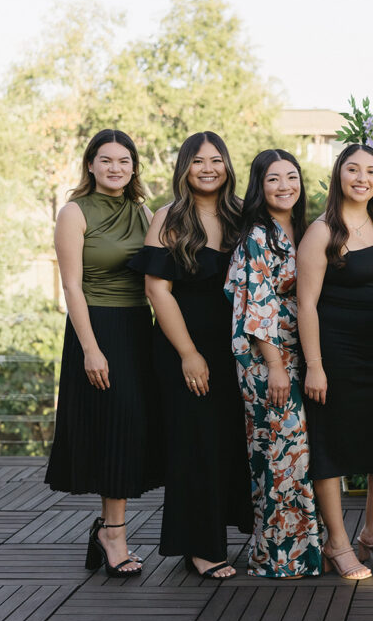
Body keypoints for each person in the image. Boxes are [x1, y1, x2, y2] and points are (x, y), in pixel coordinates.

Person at [129, 132, 253, 580]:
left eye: (216, 160)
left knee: (224, 441)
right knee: (194, 442)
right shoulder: (170, 217)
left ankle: (216, 534)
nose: (207, 168)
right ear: (184, 167)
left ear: (227, 166)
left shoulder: (242, 216)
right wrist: (188, 353)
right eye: (198, 160)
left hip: (234, 348)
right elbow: (155, 289)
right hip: (184, 346)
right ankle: (200, 547)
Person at [44, 129, 162, 577]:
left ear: (134, 167)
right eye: (106, 160)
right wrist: (91, 348)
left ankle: (109, 530)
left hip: (137, 329)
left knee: (131, 427)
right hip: (96, 329)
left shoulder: (142, 210)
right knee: (113, 426)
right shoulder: (74, 212)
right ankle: (113, 535)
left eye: (124, 161)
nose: (116, 168)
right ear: (90, 165)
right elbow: (71, 285)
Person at [297, 144, 373, 579]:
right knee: (331, 447)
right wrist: (315, 365)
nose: (362, 178)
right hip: (333, 353)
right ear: (339, 175)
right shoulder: (322, 231)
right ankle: (337, 543)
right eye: (353, 169)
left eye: (371, 171)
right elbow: (305, 305)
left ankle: (372, 535)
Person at [224, 149, 322, 578]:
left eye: (292, 178)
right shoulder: (257, 234)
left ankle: (300, 553)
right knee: (281, 456)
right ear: (259, 187)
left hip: (298, 350)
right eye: (273, 180)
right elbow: (256, 303)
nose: (285, 186)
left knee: (295, 455)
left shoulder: (303, 229)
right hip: (267, 357)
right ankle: (275, 559)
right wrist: (276, 366)